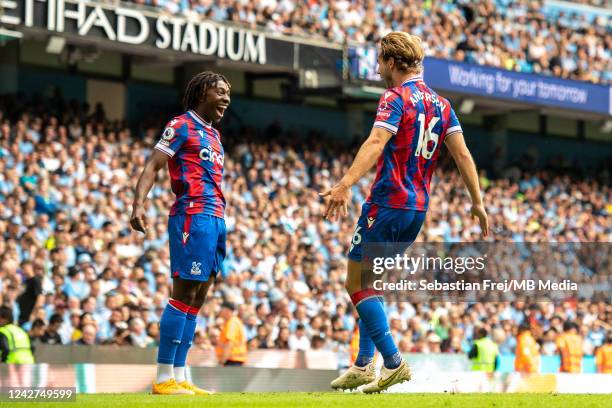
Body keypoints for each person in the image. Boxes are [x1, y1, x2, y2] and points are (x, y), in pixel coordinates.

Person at [322, 31, 488, 393]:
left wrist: (346, 182)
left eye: (381, 61)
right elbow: (462, 155)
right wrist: (477, 201)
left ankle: (393, 363)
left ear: (393, 63)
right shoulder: (443, 105)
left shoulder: (395, 97)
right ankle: (365, 365)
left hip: (387, 202)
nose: (380, 67)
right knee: (371, 283)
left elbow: (377, 141)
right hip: (416, 208)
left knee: (356, 283)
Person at [130, 71, 231, 395]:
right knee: (183, 294)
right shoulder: (181, 125)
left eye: (229, 93)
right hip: (193, 215)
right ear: (203, 92)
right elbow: (153, 165)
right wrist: (139, 205)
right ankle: (162, 378)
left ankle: (180, 375)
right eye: (220, 92)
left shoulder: (214, 135)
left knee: (198, 299)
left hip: (217, 218)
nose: (227, 98)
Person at [215, 302, 247, 366]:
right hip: (233, 360)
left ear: (227, 311)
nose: (220, 311)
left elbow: (229, 343)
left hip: (232, 360)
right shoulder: (233, 321)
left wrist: (222, 362)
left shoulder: (231, 323)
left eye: (221, 309)